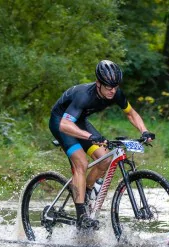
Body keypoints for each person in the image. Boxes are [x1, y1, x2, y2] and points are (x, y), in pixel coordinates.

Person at [49, 60, 155, 230]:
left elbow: (131, 113)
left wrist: (144, 131)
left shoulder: (115, 93)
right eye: (108, 87)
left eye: (115, 86)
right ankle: (81, 215)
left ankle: (85, 192)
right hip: (61, 122)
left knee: (104, 160)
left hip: (80, 121)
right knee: (81, 163)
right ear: (98, 83)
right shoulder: (84, 95)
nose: (112, 91)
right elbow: (65, 125)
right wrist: (90, 136)